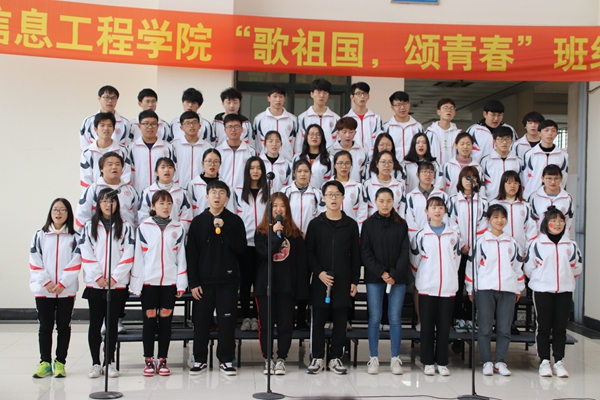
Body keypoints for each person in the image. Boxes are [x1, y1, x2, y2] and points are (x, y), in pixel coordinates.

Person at [186, 180, 247, 376]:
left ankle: (227, 359)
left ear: (227, 197)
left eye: (221, 193)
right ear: (206, 196)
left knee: (227, 322)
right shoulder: (198, 222)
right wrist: (194, 282)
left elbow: (241, 249)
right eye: (213, 192)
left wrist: (225, 228)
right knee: (201, 322)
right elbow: (191, 254)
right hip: (203, 283)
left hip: (227, 282)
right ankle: (199, 359)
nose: (217, 196)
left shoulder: (234, 221)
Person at [305, 181, 360, 375]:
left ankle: (336, 357)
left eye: (337, 194)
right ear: (323, 198)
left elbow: (355, 256)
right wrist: (319, 272)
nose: (333, 198)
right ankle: (317, 357)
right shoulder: (315, 224)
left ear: (343, 197)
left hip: (342, 281)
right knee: (318, 321)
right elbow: (309, 253)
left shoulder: (351, 225)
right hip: (321, 280)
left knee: (340, 321)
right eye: (330, 194)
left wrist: (354, 281)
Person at [79, 188, 135, 379]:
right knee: (95, 324)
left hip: (116, 285)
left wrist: (114, 277)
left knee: (111, 325)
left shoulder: (125, 226)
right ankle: (95, 363)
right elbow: (85, 251)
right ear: (98, 204)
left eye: (111, 201)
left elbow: (129, 254)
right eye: (103, 201)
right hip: (96, 285)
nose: (108, 204)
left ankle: (108, 362)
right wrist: (97, 276)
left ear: (117, 204)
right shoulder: (89, 226)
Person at [131, 190, 188, 376]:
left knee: (165, 322)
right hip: (149, 284)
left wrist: (181, 284)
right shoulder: (143, 228)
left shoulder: (178, 228)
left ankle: (162, 359)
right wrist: (137, 285)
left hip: (169, 284)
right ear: (153, 206)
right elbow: (138, 258)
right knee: (149, 322)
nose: (166, 207)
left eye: (169, 203)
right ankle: (148, 360)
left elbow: (181, 258)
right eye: (161, 203)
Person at [466, 204, 525, 376]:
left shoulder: (512, 242)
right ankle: (486, 362)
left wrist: (518, 288)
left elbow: (517, 268)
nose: (500, 221)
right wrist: (470, 288)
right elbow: (472, 267)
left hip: (507, 289)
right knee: (484, 328)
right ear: (489, 220)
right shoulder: (480, 242)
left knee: (504, 329)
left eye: (503, 217)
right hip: (485, 289)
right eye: (496, 217)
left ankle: (500, 361)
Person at [254, 192, 309, 375]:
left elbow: (301, 264)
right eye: (275, 206)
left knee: (285, 325)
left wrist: (301, 291)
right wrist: (276, 235)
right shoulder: (261, 232)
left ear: (287, 209)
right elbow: (264, 252)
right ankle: (268, 359)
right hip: (266, 286)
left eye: (282, 205)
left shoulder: (295, 234)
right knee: (266, 325)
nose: (278, 209)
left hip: (287, 286)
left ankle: (281, 359)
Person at [524, 207, 582, 378]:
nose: (557, 224)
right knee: (543, 327)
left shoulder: (570, 245)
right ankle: (544, 360)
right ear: (546, 223)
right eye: (553, 221)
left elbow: (577, 267)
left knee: (560, 327)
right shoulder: (537, 244)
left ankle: (559, 361)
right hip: (543, 290)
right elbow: (529, 268)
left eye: (561, 221)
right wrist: (541, 279)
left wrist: (565, 279)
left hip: (564, 290)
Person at [361, 187, 410, 375]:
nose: (385, 204)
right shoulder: (368, 224)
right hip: (375, 277)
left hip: (397, 278)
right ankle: (373, 357)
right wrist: (382, 272)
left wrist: (394, 274)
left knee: (395, 318)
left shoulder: (401, 224)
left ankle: (395, 358)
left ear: (393, 202)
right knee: (374, 318)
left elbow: (404, 251)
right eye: (381, 201)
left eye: (388, 201)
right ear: (375, 202)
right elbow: (365, 252)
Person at [30, 199, 81, 379]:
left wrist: (63, 283)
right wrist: (46, 282)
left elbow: (76, 261)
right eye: (55, 210)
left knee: (63, 327)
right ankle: (45, 362)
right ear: (50, 213)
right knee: (45, 326)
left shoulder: (75, 237)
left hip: (66, 291)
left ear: (68, 214)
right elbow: (34, 260)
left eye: (62, 210)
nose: (58, 213)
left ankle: (60, 362)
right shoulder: (40, 235)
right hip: (44, 290)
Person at [410, 196, 461, 376]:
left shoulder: (453, 235)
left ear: (445, 211)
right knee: (427, 326)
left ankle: (442, 362)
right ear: (427, 211)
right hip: (427, 287)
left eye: (440, 207)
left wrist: (448, 275)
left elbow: (456, 261)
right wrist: (425, 276)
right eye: (433, 207)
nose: (437, 211)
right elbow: (415, 261)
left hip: (447, 287)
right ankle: (427, 362)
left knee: (444, 326)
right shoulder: (421, 235)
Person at [402, 162, 449, 332]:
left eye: (430, 172)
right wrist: (421, 238)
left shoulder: (442, 196)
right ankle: (421, 320)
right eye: (424, 172)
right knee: (419, 282)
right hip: (418, 243)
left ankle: (439, 322)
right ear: (418, 175)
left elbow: (447, 219)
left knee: (439, 281)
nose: (428, 175)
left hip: (440, 242)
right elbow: (409, 220)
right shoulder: (410, 196)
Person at [280, 159, 322, 331]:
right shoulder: (285, 192)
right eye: (300, 171)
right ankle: (288, 316)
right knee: (290, 279)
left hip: (310, 242)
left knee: (304, 281)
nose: (303, 174)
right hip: (290, 240)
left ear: (310, 174)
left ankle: (302, 318)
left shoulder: (317, 194)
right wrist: (294, 231)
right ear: (294, 173)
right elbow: (280, 215)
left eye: (306, 171)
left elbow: (320, 217)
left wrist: (309, 234)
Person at [448, 166, 488, 334]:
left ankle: (471, 318)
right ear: (460, 180)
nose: (469, 181)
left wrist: (474, 246)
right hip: (459, 250)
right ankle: (457, 317)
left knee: (474, 284)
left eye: (473, 177)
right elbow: (452, 223)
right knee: (457, 284)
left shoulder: (483, 202)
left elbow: (483, 225)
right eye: (466, 177)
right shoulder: (453, 201)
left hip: (476, 251)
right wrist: (462, 244)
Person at [234, 156, 269, 332]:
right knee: (245, 282)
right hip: (244, 244)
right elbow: (233, 217)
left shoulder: (268, 191)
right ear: (247, 171)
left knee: (260, 282)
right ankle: (246, 317)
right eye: (252, 168)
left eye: (259, 168)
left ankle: (256, 316)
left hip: (263, 244)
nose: (255, 171)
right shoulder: (237, 191)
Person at [76, 152, 139, 229]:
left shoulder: (130, 190)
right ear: (101, 169)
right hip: (99, 234)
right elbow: (82, 215)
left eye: (118, 164)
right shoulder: (93, 189)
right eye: (110, 164)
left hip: (125, 234)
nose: (114, 167)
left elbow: (137, 216)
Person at [128, 110, 177, 195]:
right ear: (139, 126)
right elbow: (127, 173)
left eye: (153, 124)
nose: (150, 127)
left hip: (162, 195)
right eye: (146, 124)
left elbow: (174, 171)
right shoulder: (131, 148)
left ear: (158, 126)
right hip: (138, 192)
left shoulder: (168, 147)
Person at [80, 112, 132, 191]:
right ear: (95, 129)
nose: (106, 128)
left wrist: (116, 194)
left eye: (109, 125)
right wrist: (95, 195)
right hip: (95, 196)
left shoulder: (123, 151)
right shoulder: (87, 153)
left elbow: (126, 175)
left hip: (118, 195)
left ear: (113, 129)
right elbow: (85, 179)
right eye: (102, 125)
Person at [489, 170, 538, 255]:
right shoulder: (494, 204)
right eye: (509, 183)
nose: (512, 186)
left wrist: (528, 251)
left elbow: (531, 229)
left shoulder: (525, 205)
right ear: (503, 185)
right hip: (499, 251)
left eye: (516, 183)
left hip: (521, 251)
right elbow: (489, 228)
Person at [138, 157, 193, 232]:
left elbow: (187, 217)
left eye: (170, 167)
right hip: (152, 234)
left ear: (174, 171)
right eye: (163, 167)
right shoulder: (147, 192)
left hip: (175, 235)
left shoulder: (183, 193)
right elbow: (143, 216)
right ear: (156, 172)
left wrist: (177, 232)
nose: (167, 170)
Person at [522, 119, 569, 200]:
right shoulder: (530, 154)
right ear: (539, 133)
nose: (550, 133)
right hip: (533, 196)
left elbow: (563, 176)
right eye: (546, 130)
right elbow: (524, 176)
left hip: (555, 197)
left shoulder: (563, 155)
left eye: (553, 130)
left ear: (557, 134)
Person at [80, 85, 131, 151]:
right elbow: (84, 148)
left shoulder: (125, 123)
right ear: (99, 98)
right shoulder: (89, 121)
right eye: (106, 97)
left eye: (113, 98)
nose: (110, 101)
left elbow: (128, 147)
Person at [253, 85, 299, 160]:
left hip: (287, 161)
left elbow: (297, 143)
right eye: (275, 96)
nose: (278, 100)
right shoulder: (259, 119)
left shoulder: (293, 119)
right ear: (268, 98)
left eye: (281, 97)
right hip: (264, 162)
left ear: (284, 99)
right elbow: (256, 142)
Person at [187, 149, 235, 216]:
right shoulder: (193, 185)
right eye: (209, 161)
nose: (212, 164)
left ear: (220, 164)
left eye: (216, 161)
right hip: (199, 221)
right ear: (202, 163)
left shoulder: (226, 186)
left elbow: (230, 210)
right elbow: (189, 210)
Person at [171, 111, 212, 190]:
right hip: (178, 188)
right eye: (187, 123)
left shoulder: (208, 147)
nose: (191, 126)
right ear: (181, 127)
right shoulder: (173, 146)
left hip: (201, 189)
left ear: (200, 126)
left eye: (194, 122)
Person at [297, 78, 340, 151]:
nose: (322, 95)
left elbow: (338, 142)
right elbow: (299, 143)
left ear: (328, 95)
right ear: (311, 94)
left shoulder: (336, 119)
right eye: (319, 92)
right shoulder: (302, 118)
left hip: (330, 156)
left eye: (325, 93)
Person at [529, 164, 574, 234]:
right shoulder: (534, 197)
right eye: (549, 178)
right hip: (539, 237)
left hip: (560, 238)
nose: (553, 182)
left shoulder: (567, 198)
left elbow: (569, 220)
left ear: (561, 178)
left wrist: (563, 236)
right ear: (542, 178)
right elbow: (531, 221)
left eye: (556, 178)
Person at [480, 126, 521, 202]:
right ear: (494, 141)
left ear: (512, 141)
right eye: (501, 139)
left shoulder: (518, 161)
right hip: (491, 202)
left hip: (513, 202)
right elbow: (481, 184)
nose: (504, 142)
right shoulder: (485, 161)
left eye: (507, 139)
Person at [216, 113, 257, 190]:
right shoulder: (217, 151)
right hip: (222, 192)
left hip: (244, 191)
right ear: (225, 130)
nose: (233, 130)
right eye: (229, 127)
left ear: (242, 129)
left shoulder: (251, 151)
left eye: (236, 126)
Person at [382, 91, 423, 162]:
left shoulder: (418, 127)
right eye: (398, 105)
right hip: (393, 165)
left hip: (414, 165)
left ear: (409, 104)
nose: (402, 107)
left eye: (405, 104)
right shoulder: (386, 127)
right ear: (392, 107)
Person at [333, 151, 368, 230]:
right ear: (335, 165)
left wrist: (359, 231)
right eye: (340, 163)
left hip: (351, 230)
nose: (344, 166)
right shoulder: (327, 186)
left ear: (351, 165)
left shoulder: (358, 187)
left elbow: (362, 212)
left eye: (347, 163)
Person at [343, 82, 383, 152]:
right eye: (358, 93)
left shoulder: (376, 118)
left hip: (372, 156)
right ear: (352, 97)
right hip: (352, 156)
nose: (362, 96)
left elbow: (380, 139)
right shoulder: (345, 119)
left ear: (368, 96)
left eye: (364, 93)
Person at [363, 151, 405, 217]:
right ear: (377, 164)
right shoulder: (367, 184)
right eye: (383, 162)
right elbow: (363, 209)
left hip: (394, 222)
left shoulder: (400, 185)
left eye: (390, 162)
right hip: (373, 222)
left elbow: (402, 209)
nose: (387, 165)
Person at [328, 117, 369, 183]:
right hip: (335, 187)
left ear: (355, 133)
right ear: (338, 133)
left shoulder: (363, 152)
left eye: (351, 132)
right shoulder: (330, 151)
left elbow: (366, 174)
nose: (347, 135)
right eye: (344, 132)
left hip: (355, 187)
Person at [293, 124, 333, 190]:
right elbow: (292, 179)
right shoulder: (297, 157)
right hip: (299, 194)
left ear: (322, 138)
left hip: (321, 194)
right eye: (311, 134)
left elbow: (331, 180)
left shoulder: (330, 159)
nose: (314, 137)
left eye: (318, 134)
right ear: (306, 136)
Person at [443, 132, 484, 196]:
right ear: (456, 145)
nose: (465, 147)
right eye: (462, 144)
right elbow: (443, 186)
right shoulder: (448, 166)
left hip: (472, 201)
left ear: (472, 146)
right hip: (452, 200)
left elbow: (481, 188)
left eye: (468, 144)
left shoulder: (477, 167)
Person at [426, 98, 460, 167]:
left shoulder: (458, 134)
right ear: (438, 112)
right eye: (445, 108)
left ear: (454, 113)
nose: (449, 110)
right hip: (433, 170)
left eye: (451, 108)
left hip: (453, 171)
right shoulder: (430, 133)